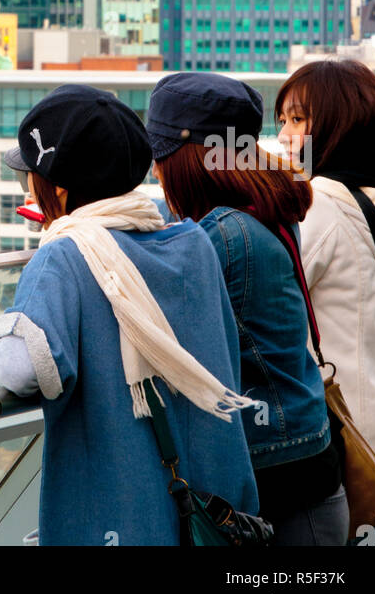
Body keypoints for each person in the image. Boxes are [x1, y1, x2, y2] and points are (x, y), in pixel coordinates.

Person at [0, 83, 259, 547]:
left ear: (57, 187)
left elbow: (18, 366)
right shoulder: (190, 241)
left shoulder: (64, 257)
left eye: (28, 176)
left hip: (123, 521)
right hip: (218, 517)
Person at [147, 70, 348, 547]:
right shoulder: (258, 210)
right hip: (302, 460)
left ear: (187, 157)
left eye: (161, 156)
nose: (156, 171)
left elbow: (157, 329)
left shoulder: (224, 235)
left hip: (280, 481)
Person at [276, 59, 375, 531]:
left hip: (351, 447)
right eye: (282, 120)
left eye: (299, 119)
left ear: (339, 122)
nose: (284, 134)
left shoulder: (321, 202)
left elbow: (267, 294)